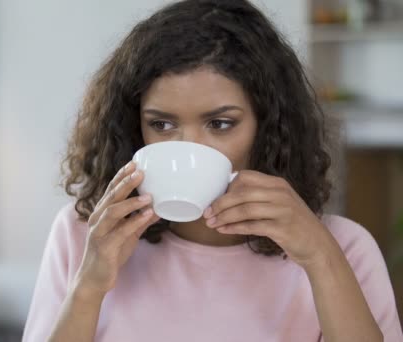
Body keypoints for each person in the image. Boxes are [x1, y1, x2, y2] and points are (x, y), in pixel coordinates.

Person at [22, 0, 403, 341]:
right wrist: (88, 287)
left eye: (220, 124)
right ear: (133, 127)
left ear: (268, 128)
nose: (190, 148)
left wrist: (321, 258)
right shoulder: (82, 233)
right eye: (162, 124)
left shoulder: (342, 247)